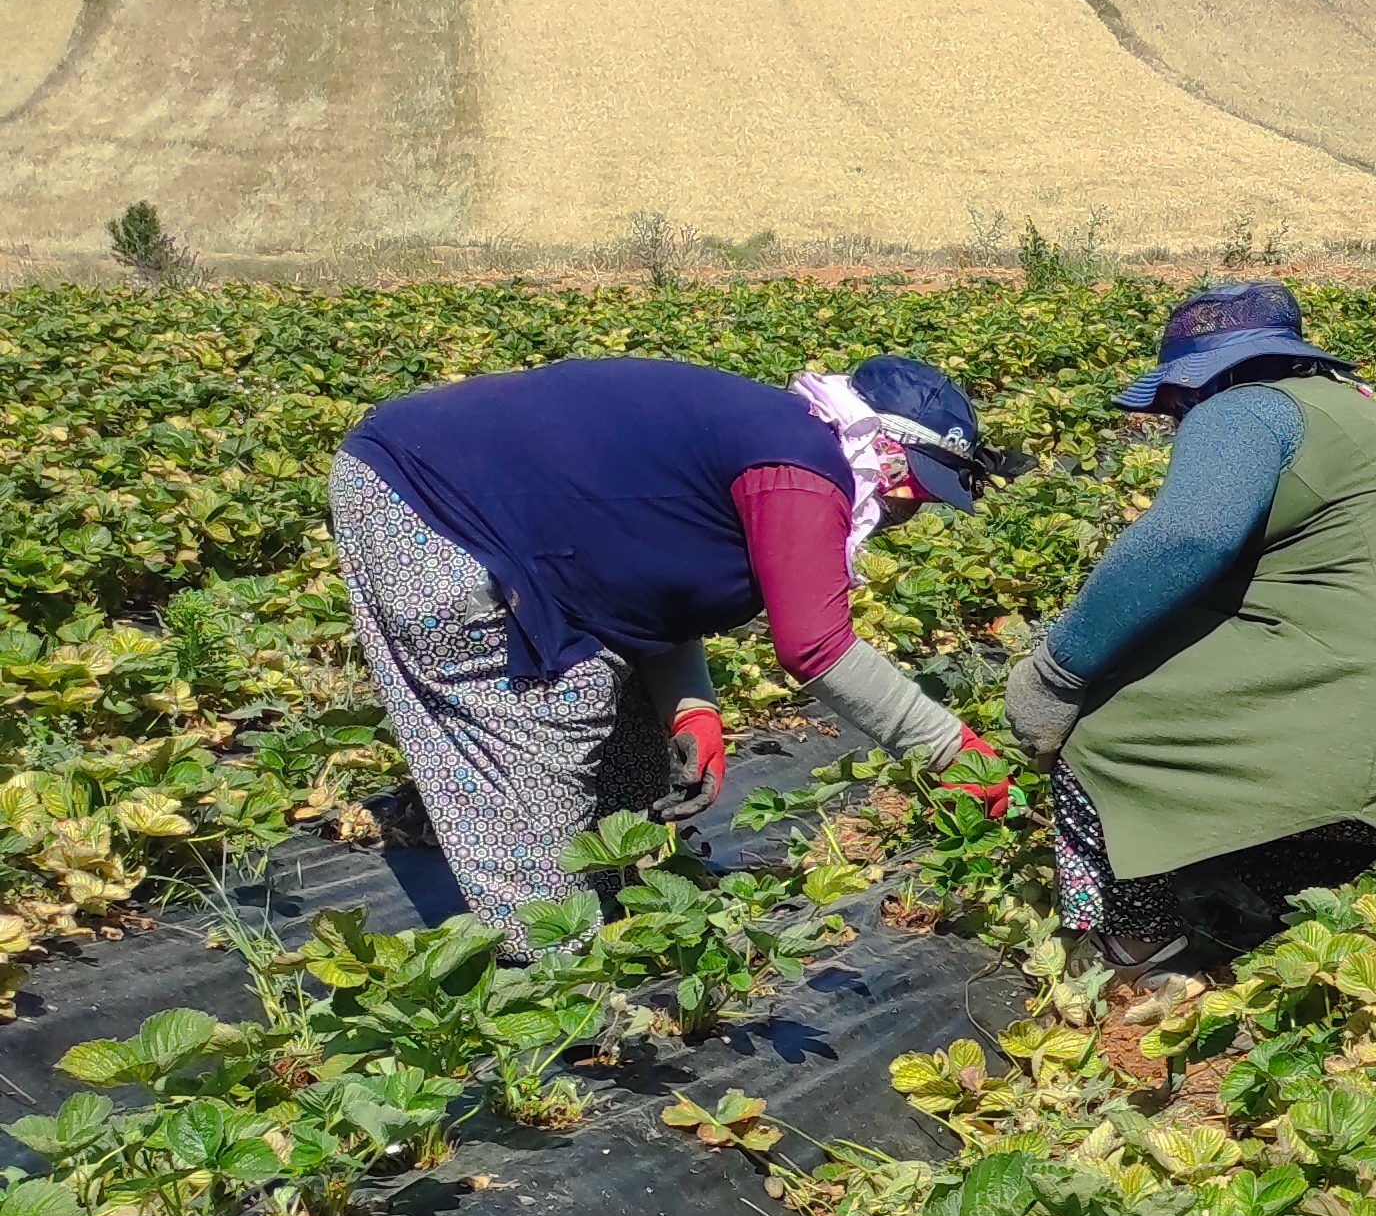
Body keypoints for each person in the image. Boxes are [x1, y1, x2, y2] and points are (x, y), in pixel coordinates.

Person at [334, 352, 1015, 939]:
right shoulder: (797, 468)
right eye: (917, 492)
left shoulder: (781, 444)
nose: (911, 511)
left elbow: (653, 575)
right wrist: (951, 750)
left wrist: (691, 707)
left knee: (631, 757)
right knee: (541, 731)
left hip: (520, 520)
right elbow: (815, 645)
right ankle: (547, 972)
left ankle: (612, 915)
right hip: (426, 499)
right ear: (887, 454)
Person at [996, 282, 1376, 972]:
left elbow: (1186, 538)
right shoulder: (1364, 419)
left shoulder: (1247, 408)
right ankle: (1285, 885)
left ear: (1198, 382)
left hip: (1372, 718)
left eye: (1176, 402)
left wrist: (1058, 673)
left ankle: (1134, 943)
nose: (1176, 417)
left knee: (1100, 730)